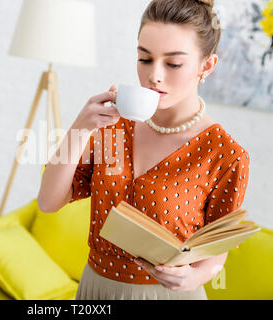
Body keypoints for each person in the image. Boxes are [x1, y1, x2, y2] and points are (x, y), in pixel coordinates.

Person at [37, 0, 250, 300]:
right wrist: (79, 129)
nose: (155, 76)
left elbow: (215, 253)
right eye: (145, 59)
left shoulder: (225, 156)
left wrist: (193, 277)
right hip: (95, 290)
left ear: (207, 66)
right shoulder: (111, 127)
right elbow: (48, 202)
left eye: (173, 63)